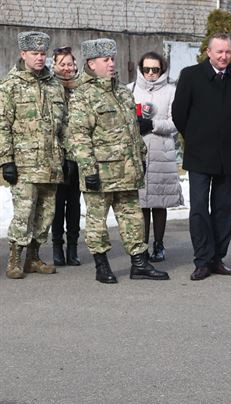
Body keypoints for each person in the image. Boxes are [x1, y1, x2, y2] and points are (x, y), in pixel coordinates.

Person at [66, 38, 169, 283]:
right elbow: (78, 136)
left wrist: (140, 158)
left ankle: (139, 264)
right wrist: (88, 169)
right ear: (92, 63)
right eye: (106, 60)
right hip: (100, 173)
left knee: (133, 218)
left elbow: (132, 130)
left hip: (127, 170)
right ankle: (102, 266)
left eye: (113, 59)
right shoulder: (83, 96)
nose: (112, 63)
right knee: (97, 221)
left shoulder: (123, 91)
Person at [172, 32, 231, 281]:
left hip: (227, 155)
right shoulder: (191, 76)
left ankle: (217, 258)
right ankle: (202, 260)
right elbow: (179, 114)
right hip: (199, 154)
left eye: (228, 52)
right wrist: (197, 137)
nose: (224, 56)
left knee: (224, 209)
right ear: (208, 52)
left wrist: (226, 136)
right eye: (219, 52)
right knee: (198, 208)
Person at [0, 31, 65, 279]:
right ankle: (15, 259)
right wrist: (6, 160)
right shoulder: (10, 86)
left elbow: (64, 124)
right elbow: (2, 125)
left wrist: (66, 157)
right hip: (24, 163)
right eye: (35, 53)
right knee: (24, 212)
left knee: (46, 213)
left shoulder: (54, 85)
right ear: (23, 54)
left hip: (51, 162)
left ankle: (33, 258)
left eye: (43, 53)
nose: (40, 58)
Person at [128, 51, 183, 263]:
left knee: (159, 203)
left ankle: (159, 244)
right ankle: (141, 245)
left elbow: (175, 123)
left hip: (162, 153)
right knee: (141, 203)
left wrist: (153, 124)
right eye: (147, 69)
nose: (151, 73)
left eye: (155, 69)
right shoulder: (129, 90)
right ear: (141, 70)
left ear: (162, 69)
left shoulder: (171, 91)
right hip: (138, 152)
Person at [50, 46, 83, 267]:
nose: (67, 68)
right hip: (56, 154)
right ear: (54, 66)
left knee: (74, 203)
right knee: (56, 203)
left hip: (79, 154)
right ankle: (56, 247)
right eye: (62, 64)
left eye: (70, 63)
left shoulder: (82, 88)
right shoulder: (49, 88)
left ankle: (73, 247)